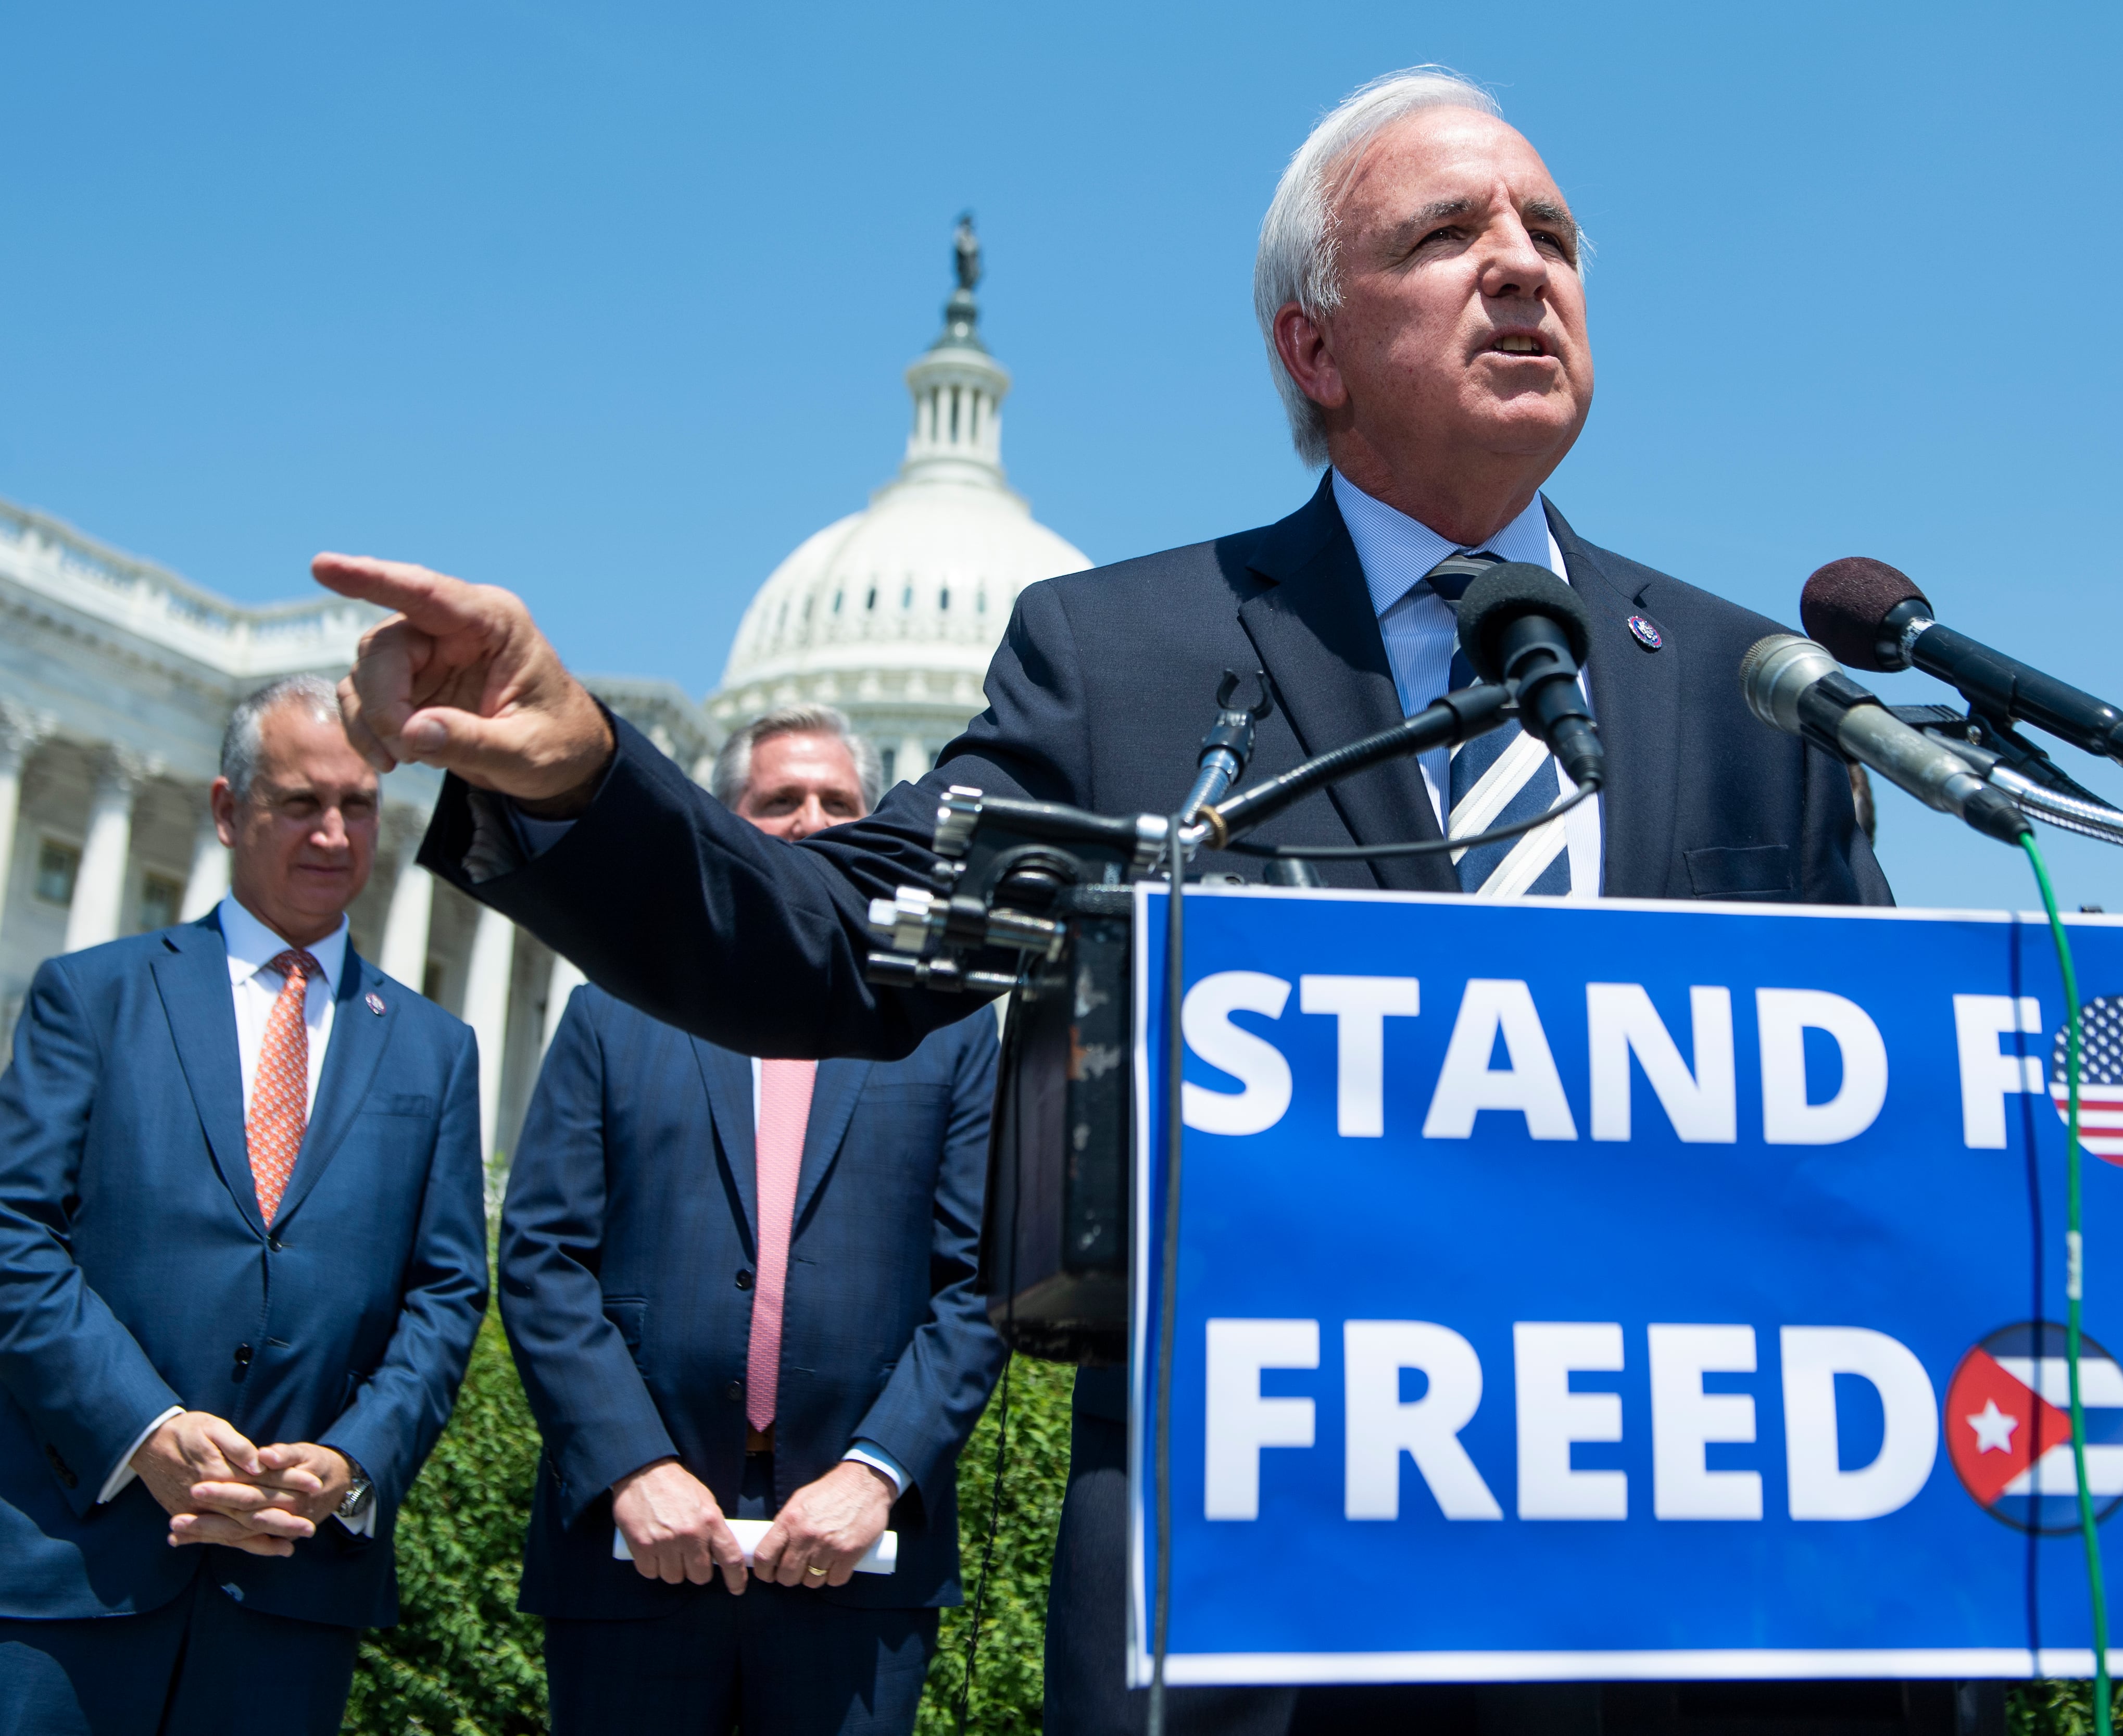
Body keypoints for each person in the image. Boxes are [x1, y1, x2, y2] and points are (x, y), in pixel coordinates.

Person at [316, 65, 1912, 1736]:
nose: (1525, 263)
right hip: (1266, 1599)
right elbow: (831, 939)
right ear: (1314, 345)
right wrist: (582, 779)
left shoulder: (1755, 690)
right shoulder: (1128, 658)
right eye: (1450, 232)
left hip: (1673, 1599)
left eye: (1554, 232)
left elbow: (1878, 1146)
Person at [500, 706, 1002, 1736]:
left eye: (839, 802)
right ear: (724, 823)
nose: (811, 821)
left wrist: (875, 1473)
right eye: (779, 801)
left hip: (859, 1557)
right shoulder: (614, 1005)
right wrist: (632, 1464)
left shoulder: (948, 1029)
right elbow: (544, 1255)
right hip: (635, 1547)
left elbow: (982, 1280)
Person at [0, 675, 487, 1735]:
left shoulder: (435, 1049)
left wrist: (355, 1455)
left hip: (293, 1580)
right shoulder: (95, 995)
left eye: (358, 804)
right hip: (78, 1563)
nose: (333, 831)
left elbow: (447, 1289)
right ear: (228, 810)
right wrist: (149, 1430)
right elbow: (12, 1235)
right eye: (301, 800)